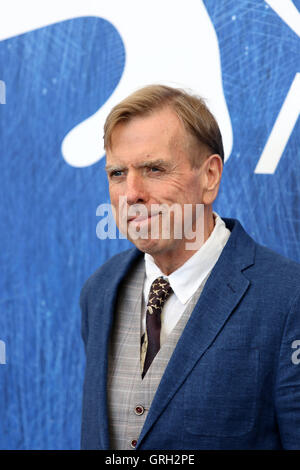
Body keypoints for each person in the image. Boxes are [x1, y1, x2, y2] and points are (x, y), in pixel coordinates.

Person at [80, 84, 300, 450]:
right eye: (117, 173)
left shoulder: (288, 298)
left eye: (154, 168)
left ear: (210, 176)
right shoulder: (99, 291)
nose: (131, 192)